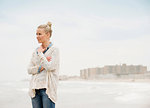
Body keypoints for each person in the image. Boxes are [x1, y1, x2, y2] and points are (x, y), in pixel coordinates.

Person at [27, 21, 60, 108]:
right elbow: (29, 69)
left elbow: (50, 67)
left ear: (48, 35)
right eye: (36, 34)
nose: (37, 36)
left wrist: (41, 55)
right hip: (35, 90)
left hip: (47, 90)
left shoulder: (54, 50)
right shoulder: (35, 51)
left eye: (39, 34)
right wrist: (42, 66)